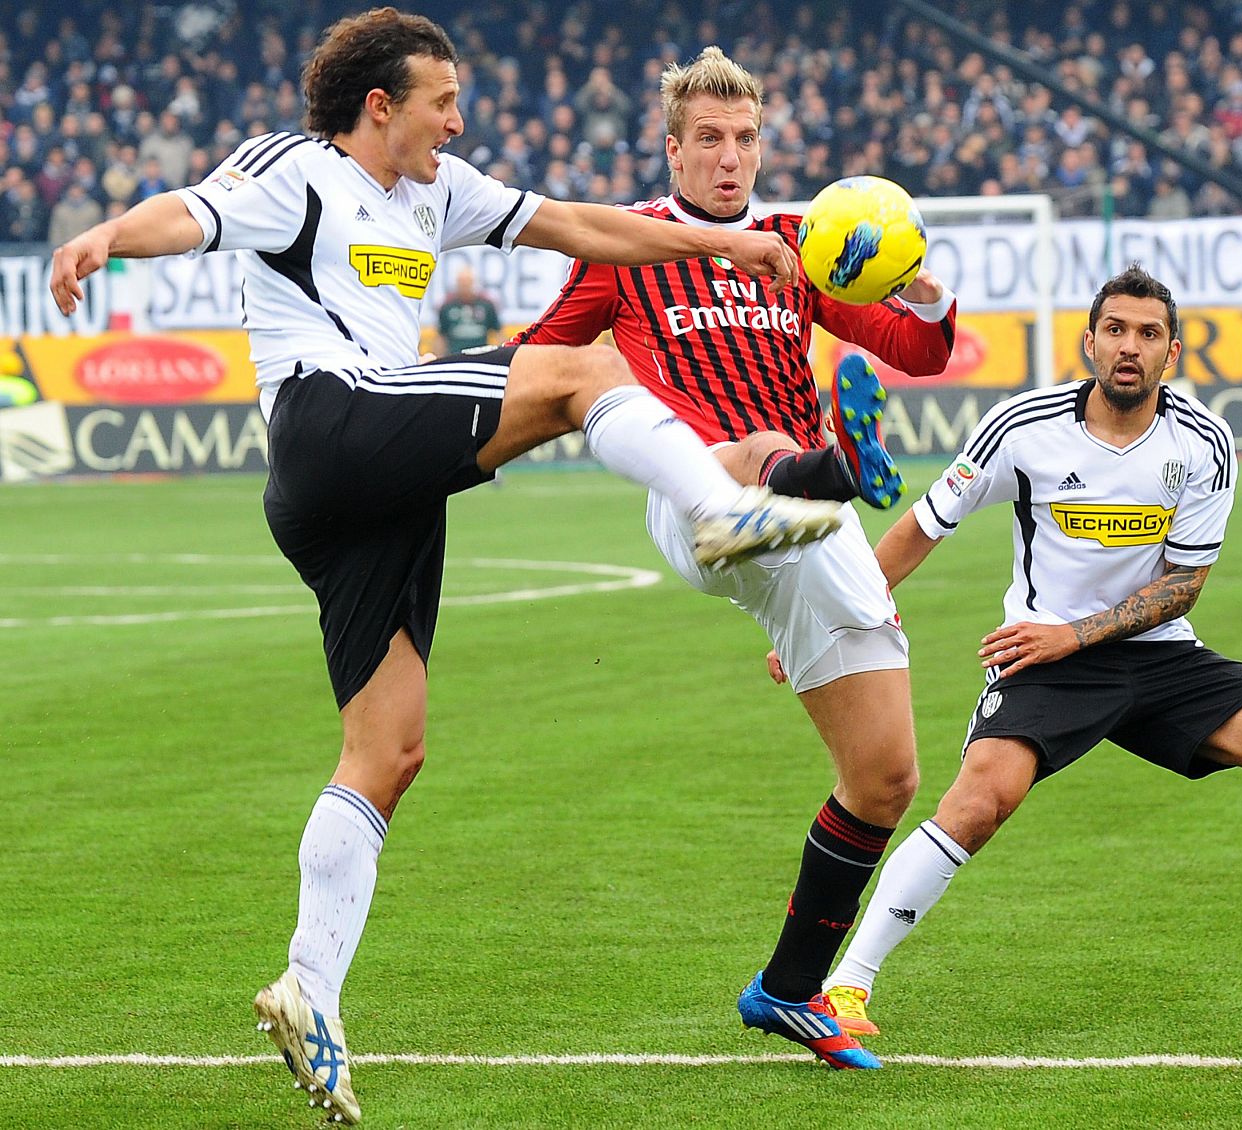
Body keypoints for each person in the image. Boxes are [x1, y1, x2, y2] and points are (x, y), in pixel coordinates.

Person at [48, 11, 844, 1124]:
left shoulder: (437, 189)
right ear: (382, 105)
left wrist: (729, 243)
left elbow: (575, 225)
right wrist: (101, 238)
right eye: (441, 101)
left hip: (374, 484)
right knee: (576, 368)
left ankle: (308, 989)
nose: (457, 119)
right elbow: (188, 214)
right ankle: (724, 510)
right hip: (331, 422)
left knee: (390, 746)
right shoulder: (301, 171)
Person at [808, 265, 1242, 1038]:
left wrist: (1081, 631)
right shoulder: (1021, 426)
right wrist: (836, 621)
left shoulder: (1204, 441)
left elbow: (1183, 585)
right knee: (981, 801)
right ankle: (846, 987)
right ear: (1089, 341)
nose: (1131, 348)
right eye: (1117, 331)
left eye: (1149, 334)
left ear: (1173, 353)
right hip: (1044, 657)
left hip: (1154, 650)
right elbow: (924, 525)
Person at [511, 46, 958, 1071]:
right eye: (707, 138)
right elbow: (544, 359)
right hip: (705, 497)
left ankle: (789, 988)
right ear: (671, 147)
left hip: (816, 531)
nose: (729, 157)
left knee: (885, 775)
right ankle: (822, 461)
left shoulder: (797, 243)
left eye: (745, 138)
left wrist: (924, 295)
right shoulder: (631, 243)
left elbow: (919, 351)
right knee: (752, 459)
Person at [434, 265, 501, 354]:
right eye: (462, 283)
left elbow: (498, 332)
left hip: (480, 355)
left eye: (467, 283)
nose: (465, 286)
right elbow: (441, 337)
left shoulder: (486, 305)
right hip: (455, 355)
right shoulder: (447, 306)